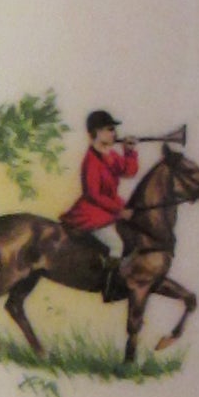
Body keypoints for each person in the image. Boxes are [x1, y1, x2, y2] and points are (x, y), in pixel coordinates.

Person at [61, 110, 139, 299]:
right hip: (92, 212)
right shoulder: (91, 161)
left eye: (113, 130)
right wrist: (119, 210)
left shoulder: (110, 155)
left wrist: (129, 152)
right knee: (116, 245)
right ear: (96, 133)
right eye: (109, 129)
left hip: (108, 207)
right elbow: (93, 194)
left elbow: (129, 172)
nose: (114, 134)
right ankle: (109, 287)